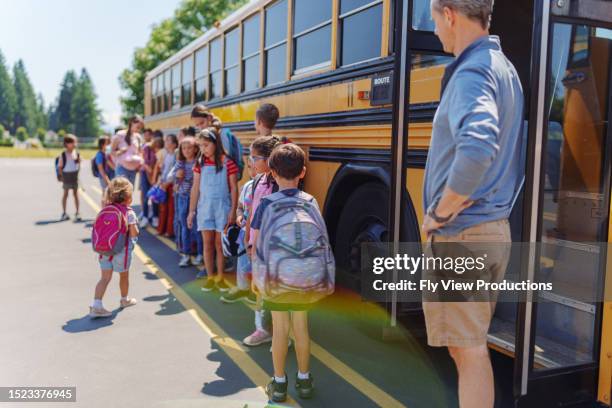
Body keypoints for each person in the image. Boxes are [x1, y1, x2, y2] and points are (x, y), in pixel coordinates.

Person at [422, 2, 524, 407]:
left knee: (468, 350)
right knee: (466, 346)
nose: (435, 32)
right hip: (491, 229)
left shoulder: (472, 70)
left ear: (449, 14)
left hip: (463, 234)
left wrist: (441, 211)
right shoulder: (503, 67)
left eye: (434, 21)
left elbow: (479, 145)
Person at [250, 143, 315, 402]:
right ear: (303, 172)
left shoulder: (266, 203)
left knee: (279, 329)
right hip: (303, 277)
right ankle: (304, 379)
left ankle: (278, 383)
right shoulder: (311, 201)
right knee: (301, 329)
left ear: (272, 173)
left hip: (276, 277)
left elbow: (257, 244)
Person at [242, 136, 285, 347]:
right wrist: (248, 237)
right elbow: (251, 212)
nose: (251, 161)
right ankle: (262, 328)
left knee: (272, 289)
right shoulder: (258, 180)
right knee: (259, 287)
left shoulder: (279, 183)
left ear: (269, 160)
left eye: (255, 157)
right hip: (255, 243)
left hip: (270, 247)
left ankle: (275, 331)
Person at [187, 128, 239, 292]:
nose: (203, 149)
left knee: (219, 244)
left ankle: (220, 277)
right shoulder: (199, 163)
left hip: (222, 209)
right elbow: (195, 188)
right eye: (200, 146)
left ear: (216, 144)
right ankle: (210, 277)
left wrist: (233, 210)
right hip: (205, 208)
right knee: (207, 244)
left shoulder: (227, 162)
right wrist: (191, 211)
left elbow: (233, 188)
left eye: (206, 145)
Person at [90, 177, 139, 318]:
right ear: (128, 198)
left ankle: (96, 305)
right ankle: (124, 299)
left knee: (104, 278)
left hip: (104, 249)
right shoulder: (129, 212)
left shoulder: (105, 210)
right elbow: (134, 232)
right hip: (121, 251)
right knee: (124, 275)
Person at [220, 156, 257, 304]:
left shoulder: (269, 188)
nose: (252, 170)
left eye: (255, 167)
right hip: (243, 232)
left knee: (255, 263)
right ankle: (242, 287)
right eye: (249, 167)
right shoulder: (247, 186)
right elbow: (240, 207)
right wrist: (239, 216)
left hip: (256, 233)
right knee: (242, 261)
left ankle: (255, 291)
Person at [172, 137, 203, 267]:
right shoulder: (181, 163)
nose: (186, 150)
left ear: (196, 148)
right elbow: (175, 178)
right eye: (184, 148)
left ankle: (200, 253)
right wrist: (177, 177)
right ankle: (186, 254)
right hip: (183, 197)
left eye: (189, 147)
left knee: (197, 228)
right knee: (184, 226)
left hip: (196, 198)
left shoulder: (198, 162)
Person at [155, 134, 178, 237]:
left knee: (171, 209)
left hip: (170, 184)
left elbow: (175, 172)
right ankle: (161, 229)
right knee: (163, 208)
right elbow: (164, 170)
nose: (166, 142)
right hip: (164, 184)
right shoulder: (167, 154)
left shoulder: (175, 156)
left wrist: (167, 183)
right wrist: (160, 181)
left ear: (174, 144)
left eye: (168, 141)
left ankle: (169, 231)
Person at [111, 115, 144, 185]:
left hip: (133, 170)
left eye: (141, 126)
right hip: (122, 168)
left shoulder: (138, 137)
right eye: (138, 125)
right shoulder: (120, 135)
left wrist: (140, 161)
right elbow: (112, 152)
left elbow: (140, 152)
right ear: (131, 122)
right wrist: (121, 151)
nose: (139, 128)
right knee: (121, 192)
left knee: (129, 193)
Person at [57, 134, 81, 221]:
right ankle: (64, 212)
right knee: (65, 194)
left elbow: (78, 165)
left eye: (74, 142)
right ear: (66, 143)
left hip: (74, 175)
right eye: (71, 142)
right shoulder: (63, 154)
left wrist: (78, 160)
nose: (73, 144)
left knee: (75, 194)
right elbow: (60, 166)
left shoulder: (76, 153)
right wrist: (60, 176)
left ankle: (77, 212)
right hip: (66, 175)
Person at [139, 128, 156, 227]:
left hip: (153, 172)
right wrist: (146, 167)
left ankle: (153, 215)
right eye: (144, 135)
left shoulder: (153, 146)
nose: (146, 137)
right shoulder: (144, 146)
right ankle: (145, 215)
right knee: (145, 194)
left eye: (148, 135)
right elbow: (141, 159)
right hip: (145, 172)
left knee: (153, 195)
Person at [93, 136, 113, 206]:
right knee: (105, 194)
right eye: (107, 143)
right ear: (102, 144)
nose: (109, 144)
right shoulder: (99, 155)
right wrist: (107, 180)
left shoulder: (106, 154)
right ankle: (104, 211)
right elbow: (101, 169)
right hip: (104, 177)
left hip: (109, 175)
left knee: (109, 194)